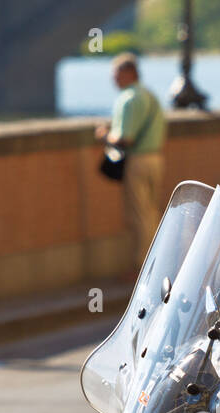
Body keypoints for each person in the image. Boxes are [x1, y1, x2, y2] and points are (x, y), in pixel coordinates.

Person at [95, 53, 167, 277]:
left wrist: (105, 135)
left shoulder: (129, 98)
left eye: (115, 74)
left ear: (128, 73)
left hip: (137, 161)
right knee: (152, 213)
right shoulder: (149, 96)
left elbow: (126, 138)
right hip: (156, 158)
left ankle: (141, 269)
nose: (113, 80)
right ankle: (157, 265)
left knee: (139, 216)